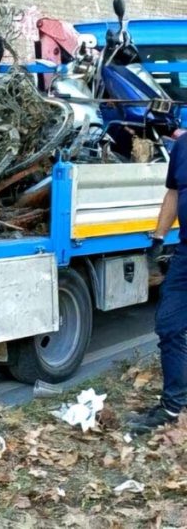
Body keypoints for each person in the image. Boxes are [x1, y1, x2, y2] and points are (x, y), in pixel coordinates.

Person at [131, 134, 187, 433]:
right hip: (186, 254)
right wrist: (158, 237)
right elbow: (174, 193)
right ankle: (172, 406)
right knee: (169, 325)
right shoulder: (183, 145)